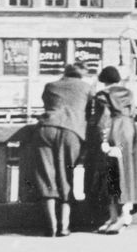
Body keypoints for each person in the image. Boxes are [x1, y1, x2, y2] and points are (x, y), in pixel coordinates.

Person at [30, 63, 93, 237]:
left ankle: (51, 226)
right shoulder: (87, 88)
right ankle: (64, 226)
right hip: (71, 131)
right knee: (67, 176)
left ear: (64, 73)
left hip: (46, 128)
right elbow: (91, 113)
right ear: (81, 75)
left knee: (46, 176)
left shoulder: (50, 86)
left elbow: (48, 105)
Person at [88, 65, 137, 234]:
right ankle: (121, 215)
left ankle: (119, 217)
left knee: (111, 174)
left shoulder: (103, 95)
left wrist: (104, 140)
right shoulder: (129, 93)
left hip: (114, 131)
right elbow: (133, 112)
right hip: (129, 131)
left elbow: (104, 118)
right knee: (127, 173)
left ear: (103, 80)